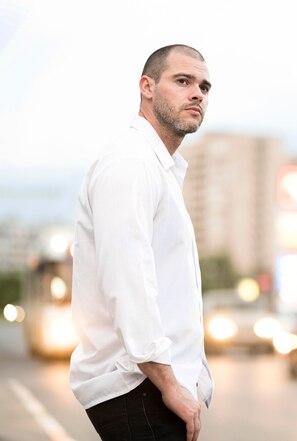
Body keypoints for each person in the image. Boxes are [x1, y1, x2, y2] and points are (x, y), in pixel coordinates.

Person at [69, 44, 213, 441]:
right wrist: (169, 385)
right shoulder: (130, 163)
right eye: (183, 81)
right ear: (146, 87)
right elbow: (127, 282)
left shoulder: (159, 169)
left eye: (204, 86)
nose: (197, 93)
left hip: (149, 387)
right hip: (138, 388)